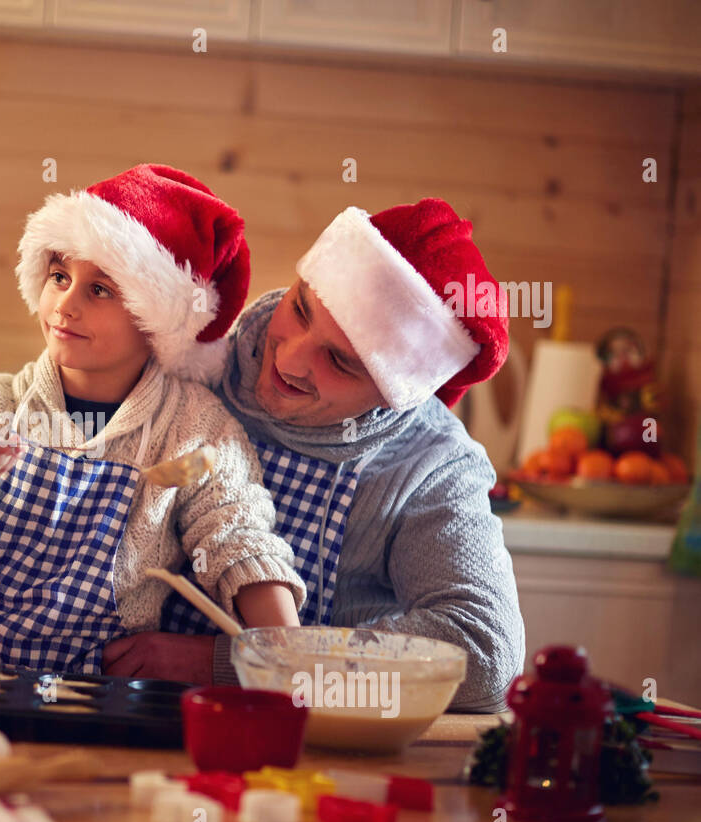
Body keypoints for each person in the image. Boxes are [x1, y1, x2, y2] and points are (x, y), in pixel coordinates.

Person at [0, 164, 306, 674]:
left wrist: (287, 655)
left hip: (89, 685)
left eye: (101, 291)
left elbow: (235, 534)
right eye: (59, 277)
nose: (65, 305)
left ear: (156, 321)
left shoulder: (194, 430)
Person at [156, 200, 526, 710]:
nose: (288, 359)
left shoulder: (430, 465)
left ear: (392, 392)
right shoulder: (192, 357)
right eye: (301, 309)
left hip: (314, 740)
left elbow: (485, 658)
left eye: (339, 361)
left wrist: (233, 664)